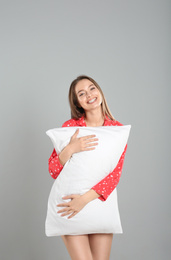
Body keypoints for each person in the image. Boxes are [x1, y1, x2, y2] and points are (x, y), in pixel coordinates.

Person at [48, 75, 127, 260]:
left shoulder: (117, 129)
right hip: (70, 205)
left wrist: (83, 200)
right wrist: (71, 149)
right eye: (81, 93)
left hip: (98, 202)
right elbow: (53, 170)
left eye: (92, 88)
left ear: (99, 91)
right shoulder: (70, 127)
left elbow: (114, 175)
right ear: (78, 103)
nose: (89, 95)